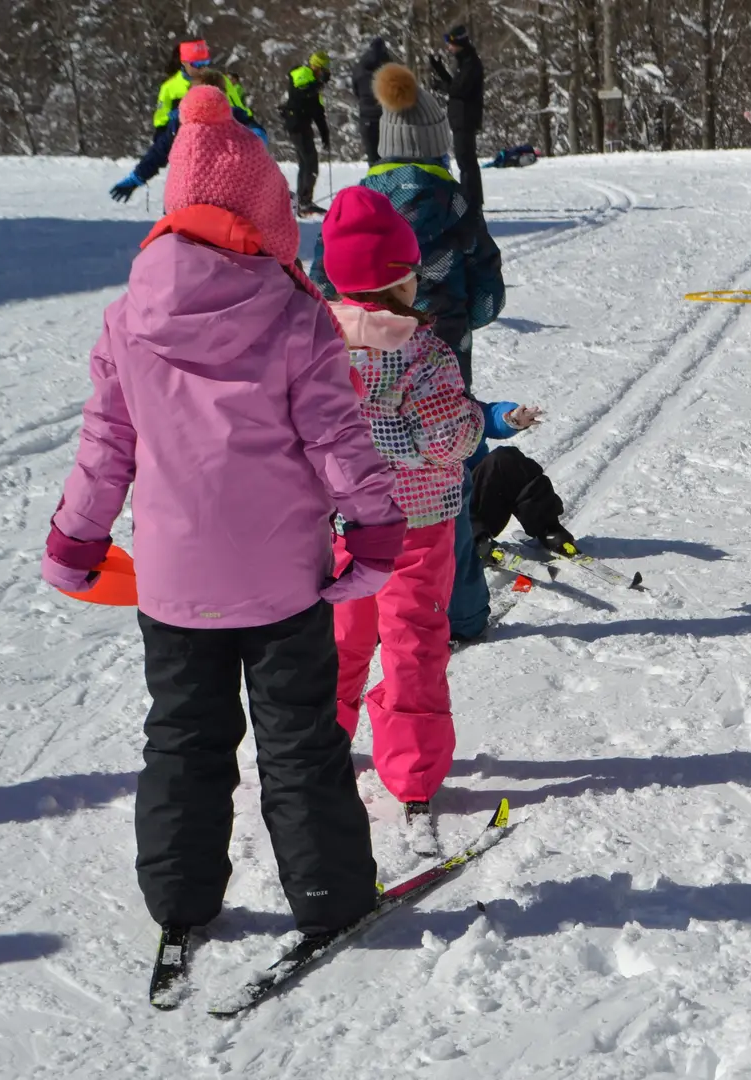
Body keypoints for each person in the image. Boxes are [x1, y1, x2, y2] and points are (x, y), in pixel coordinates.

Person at [41, 86, 404, 953]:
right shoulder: (296, 315)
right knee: (300, 743)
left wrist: (77, 538)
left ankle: (180, 897)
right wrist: (376, 530)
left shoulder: (130, 317)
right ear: (268, 218)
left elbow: (105, 444)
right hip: (283, 586)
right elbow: (337, 438)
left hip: (174, 589)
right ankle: (330, 894)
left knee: (182, 739)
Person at [309, 61, 505, 640]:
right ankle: (463, 613)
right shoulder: (456, 201)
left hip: (354, 361)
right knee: (448, 478)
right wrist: (460, 322)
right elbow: (488, 293)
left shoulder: (352, 204)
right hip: (443, 354)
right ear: (436, 145)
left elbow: (322, 285)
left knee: (357, 479)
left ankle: (355, 609)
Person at [319, 186, 484, 853]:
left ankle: (319, 746)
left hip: (345, 525)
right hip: (418, 526)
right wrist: (475, 423)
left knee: (341, 638)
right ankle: (412, 772)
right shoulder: (425, 355)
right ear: (400, 279)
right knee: (413, 638)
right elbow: (451, 439)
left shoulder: (316, 347)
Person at [111, 69, 264, 202]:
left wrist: (137, 177)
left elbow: (159, 152)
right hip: (203, 198)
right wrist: (137, 177)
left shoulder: (235, 119)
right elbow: (160, 151)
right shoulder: (182, 121)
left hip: (195, 198)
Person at [429, 25, 485, 213]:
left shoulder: (471, 63)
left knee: (466, 161)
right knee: (465, 160)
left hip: (466, 118)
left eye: (451, 44)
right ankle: (471, 198)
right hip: (460, 118)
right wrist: (439, 69)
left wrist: (440, 85)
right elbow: (456, 84)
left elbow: (460, 90)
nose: (448, 48)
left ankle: (472, 200)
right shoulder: (464, 62)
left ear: (459, 43)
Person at [153, 40, 248, 134]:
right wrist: (174, 119)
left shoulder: (220, 81)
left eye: (205, 63)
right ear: (184, 62)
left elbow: (241, 113)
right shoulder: (170, 88)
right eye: (197, 64)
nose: (202, 68)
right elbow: (160, 123)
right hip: (185, 140)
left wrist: (254, 129)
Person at [283, 52, 334, 216]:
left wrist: (325, 134)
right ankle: (303, 202)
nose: (323, 73)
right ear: (316, 66)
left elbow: (318, 112)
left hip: (303, 126)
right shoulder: (302, 73)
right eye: (323, 70)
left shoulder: (314, 83)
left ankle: (302, 201)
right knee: (310, 163)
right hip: (297, 124)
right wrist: (318, 83)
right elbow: (301, 93)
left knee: (306, 164)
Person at [352, 37, 396, 166]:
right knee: (389, 158)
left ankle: (374, 183)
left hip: (366, 118)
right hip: (386, 117)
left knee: (373, 159)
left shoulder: (359, 68)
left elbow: (356, 91)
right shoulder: (389, 67)